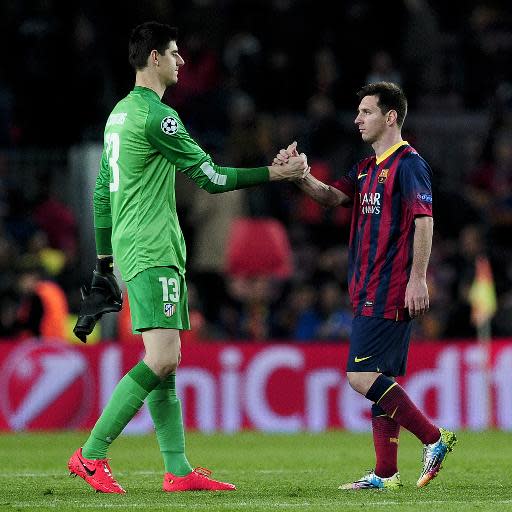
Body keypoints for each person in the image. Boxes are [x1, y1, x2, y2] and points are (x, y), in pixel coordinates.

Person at [68, 21, 308, 494]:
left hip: (136, 245)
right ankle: (91, 454)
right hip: (153, 246)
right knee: (161, 358)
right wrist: (276, 173)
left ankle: (177, 469)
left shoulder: (118, 115)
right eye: (175, 54)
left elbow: (101, 193)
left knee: (166, 361)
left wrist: (102, 261)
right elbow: (213, 179)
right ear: (154, 57)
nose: (182, 62)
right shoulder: (160, 118)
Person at [274, 82, 457, 490]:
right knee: (379, 381)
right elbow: (330, 197)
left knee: (359, 377)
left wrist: (417, 278)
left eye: (366, 112)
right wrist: (299, 174)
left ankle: (433, 437)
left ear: (390, 117)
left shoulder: (409, 164)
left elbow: (423, 220)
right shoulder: (365, 168)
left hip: (390, 285)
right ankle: (385, 474)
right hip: (367, 284)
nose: (357, 119)